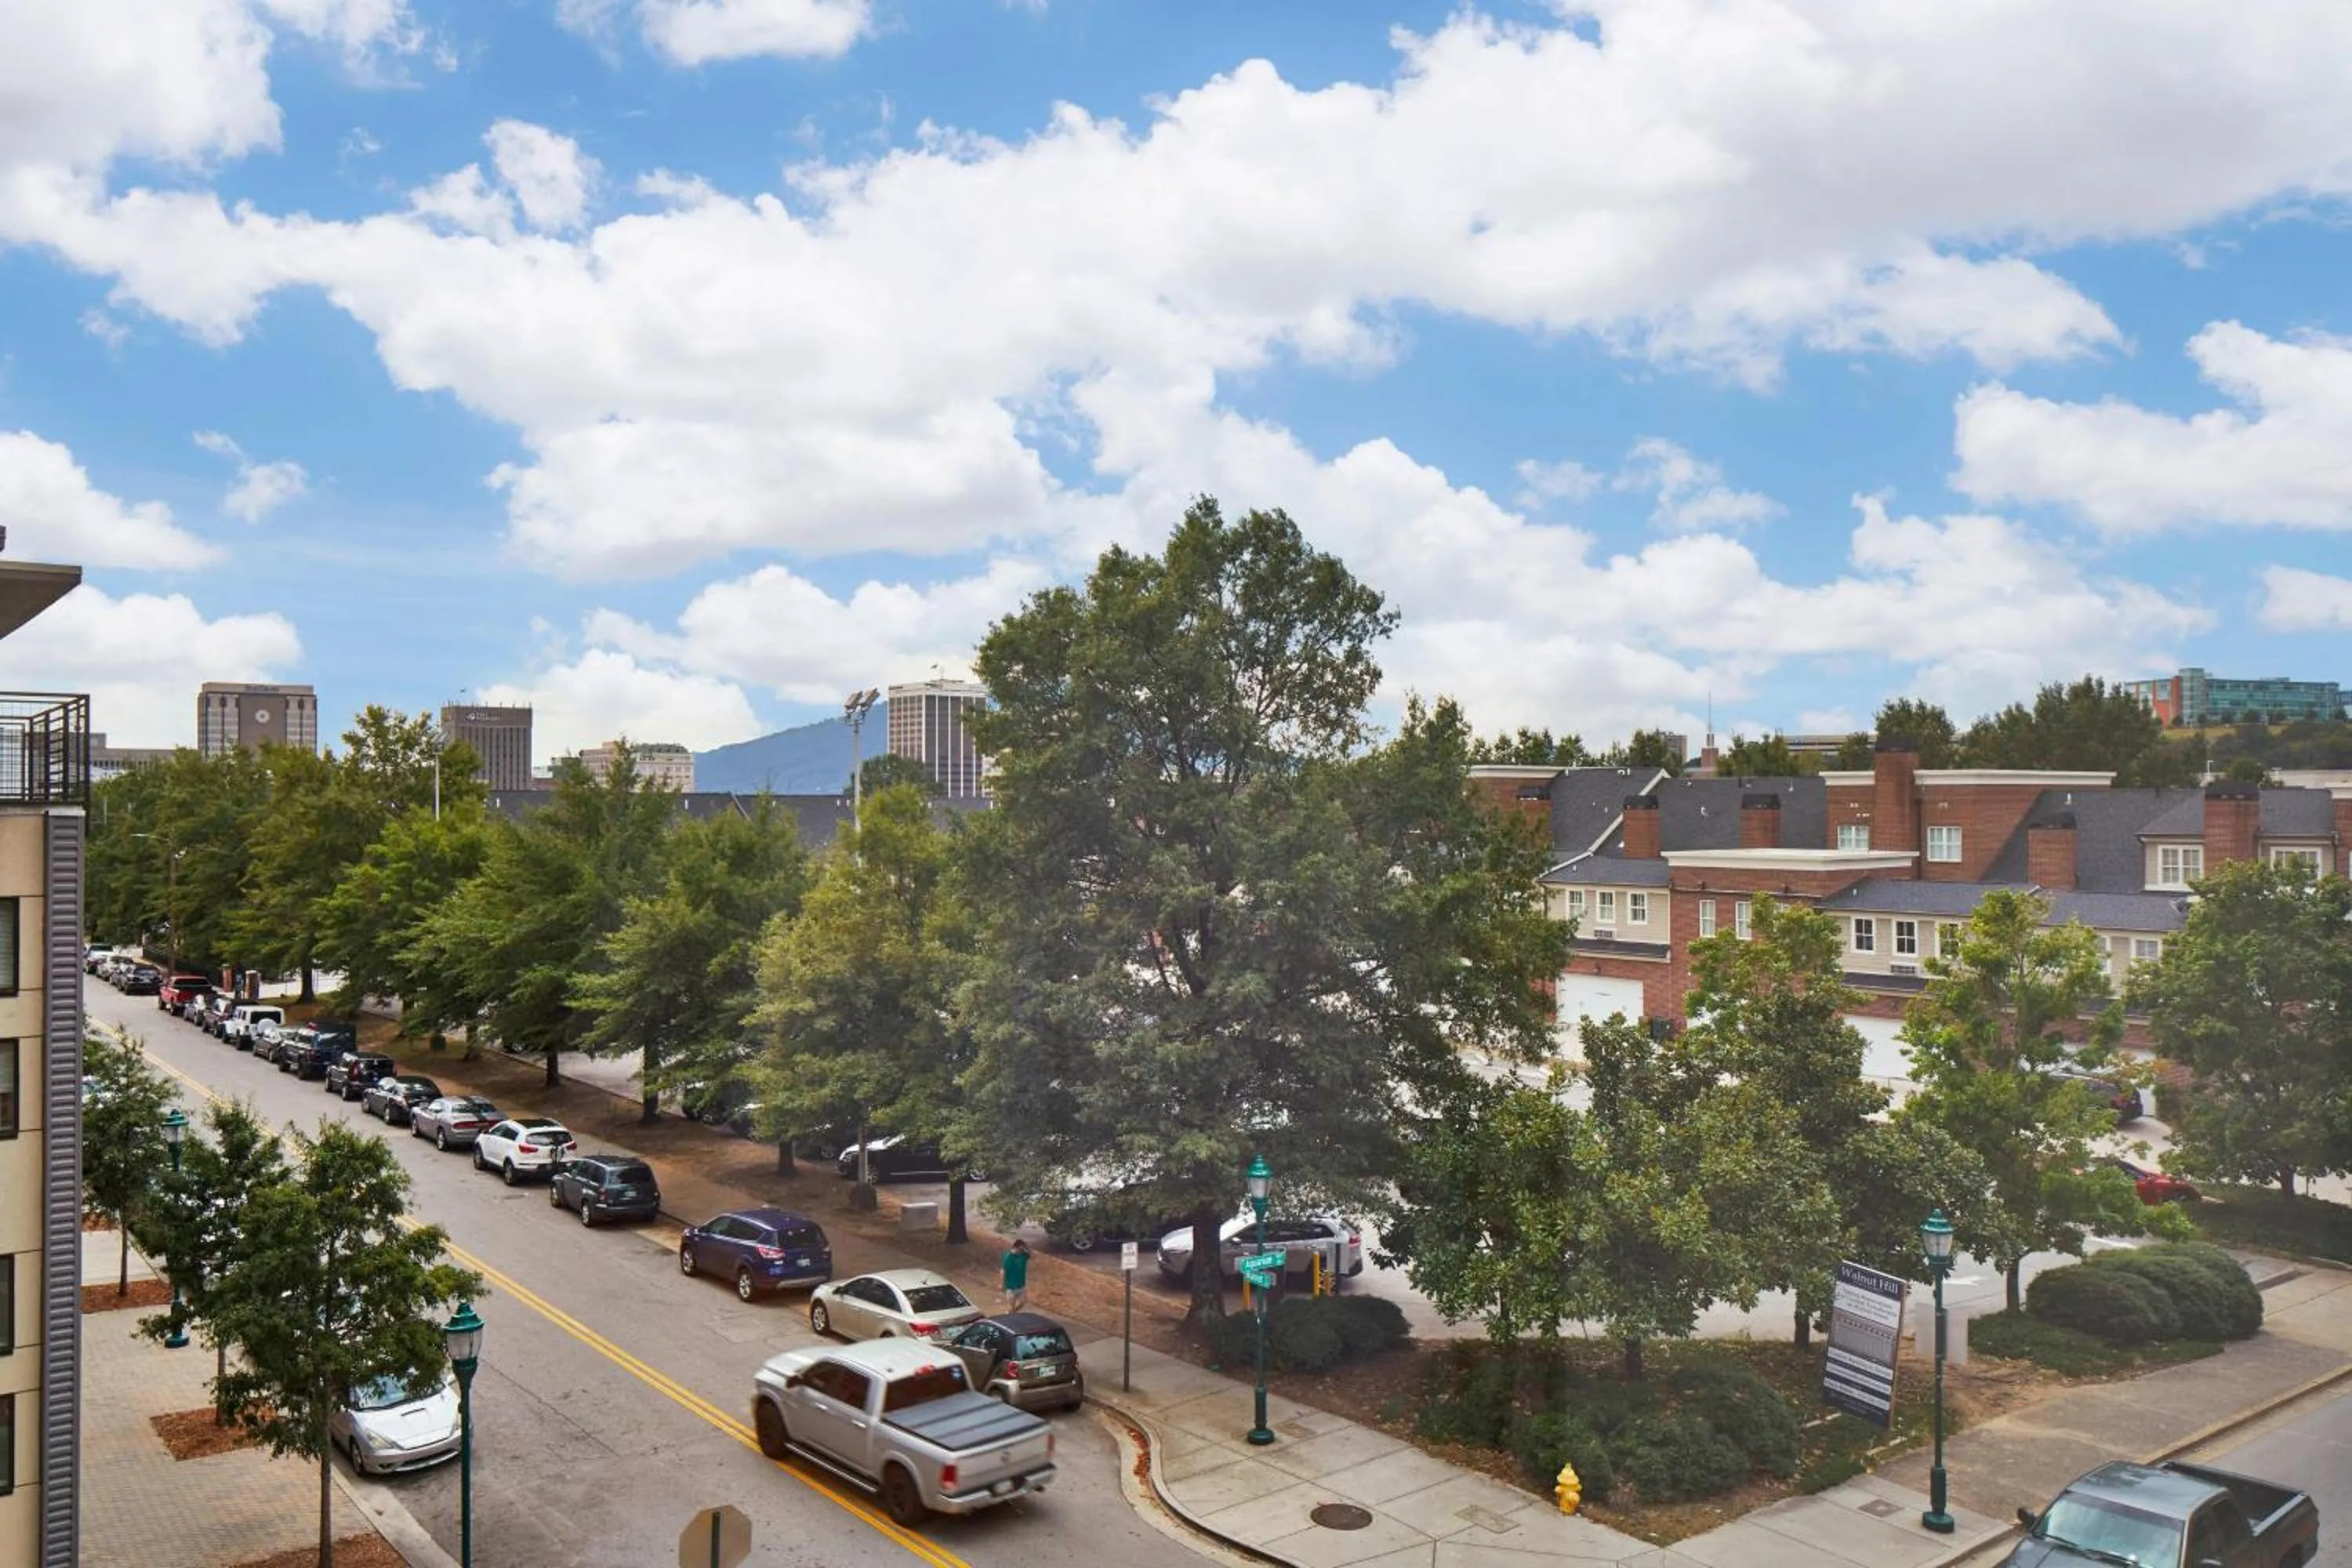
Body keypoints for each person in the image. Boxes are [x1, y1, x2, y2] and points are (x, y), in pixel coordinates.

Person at [1002, 1239, 1031, 1312]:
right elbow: (1003, 1271)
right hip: (1011, 1287)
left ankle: (1012, 1312)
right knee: (1011, 1305)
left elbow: (1030, 1254)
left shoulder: (1023, 1256)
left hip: (1021, 1285)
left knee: (1023, 1302)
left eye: (1022, 1249)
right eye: (1020, 1249)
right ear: (1015, 1247)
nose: (1021, 1251)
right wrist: (1002, 1284)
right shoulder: (1008, 1257)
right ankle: (1011, 1313)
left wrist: (1027, 1248)